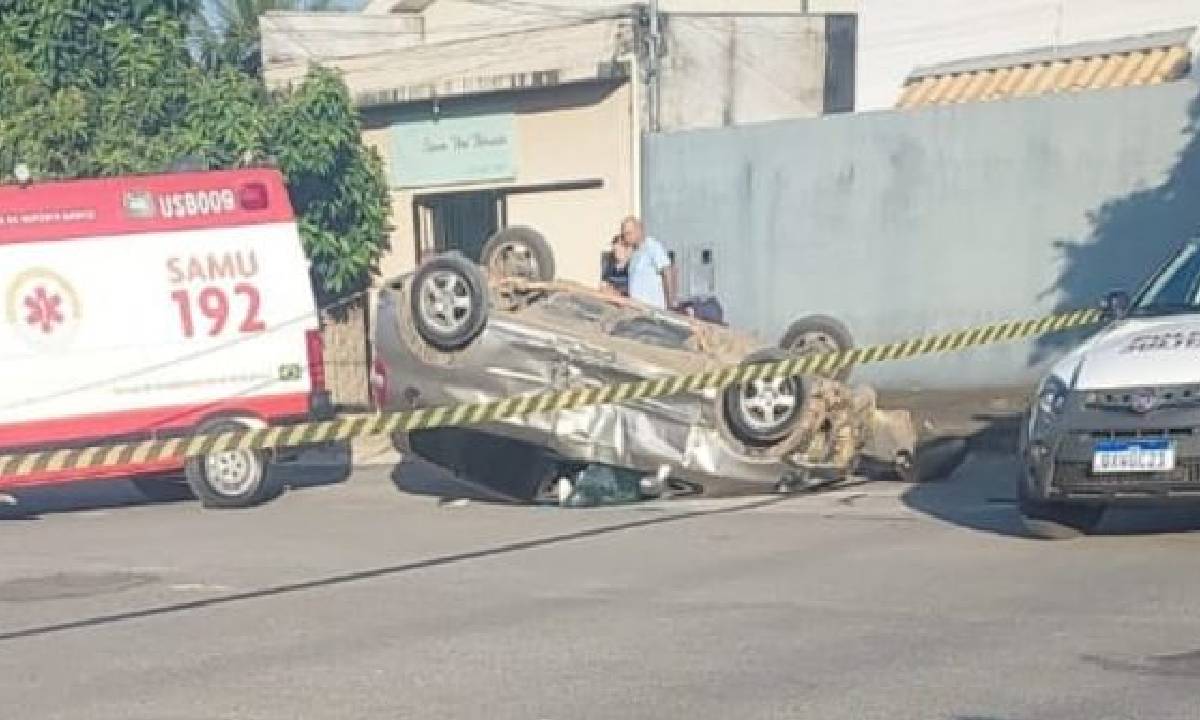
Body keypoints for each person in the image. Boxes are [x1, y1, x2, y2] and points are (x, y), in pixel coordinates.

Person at [620, 216, 676, 310]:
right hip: (638, 310)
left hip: (653, 310)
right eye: (624, 235)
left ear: (639, 230)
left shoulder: (652, 246)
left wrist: (670, 302)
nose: (627, 238)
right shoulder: (635, 253)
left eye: (629, 233)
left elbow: (667, 271)